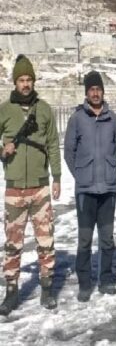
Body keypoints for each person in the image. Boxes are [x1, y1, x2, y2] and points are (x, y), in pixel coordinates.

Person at [0, 56, 61, 314]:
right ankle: (11, 291)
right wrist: (3, 148)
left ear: (34, 81)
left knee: (45, 239)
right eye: (21, 80)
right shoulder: (4, 110)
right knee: (13, 243)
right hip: (14, 187)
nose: (25, 84)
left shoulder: (45, 109)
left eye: (29, 80)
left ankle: (47, 289)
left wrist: (57, 177)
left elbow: (53, 145)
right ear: (15, 82)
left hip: (40, 187)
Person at [64, 71, 116, 302]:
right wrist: (81, 175)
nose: (95, 93)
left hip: (107, 188)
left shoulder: (113, 119)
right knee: (85, 239)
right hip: (86, 190)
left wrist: (111, 169)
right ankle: (85, 283)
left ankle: (106, 280)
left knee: (107, 239)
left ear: (103, 92)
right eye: (92, 89)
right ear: (86, 93)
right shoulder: (77, 119)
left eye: (98, 89)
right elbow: (69, 152)